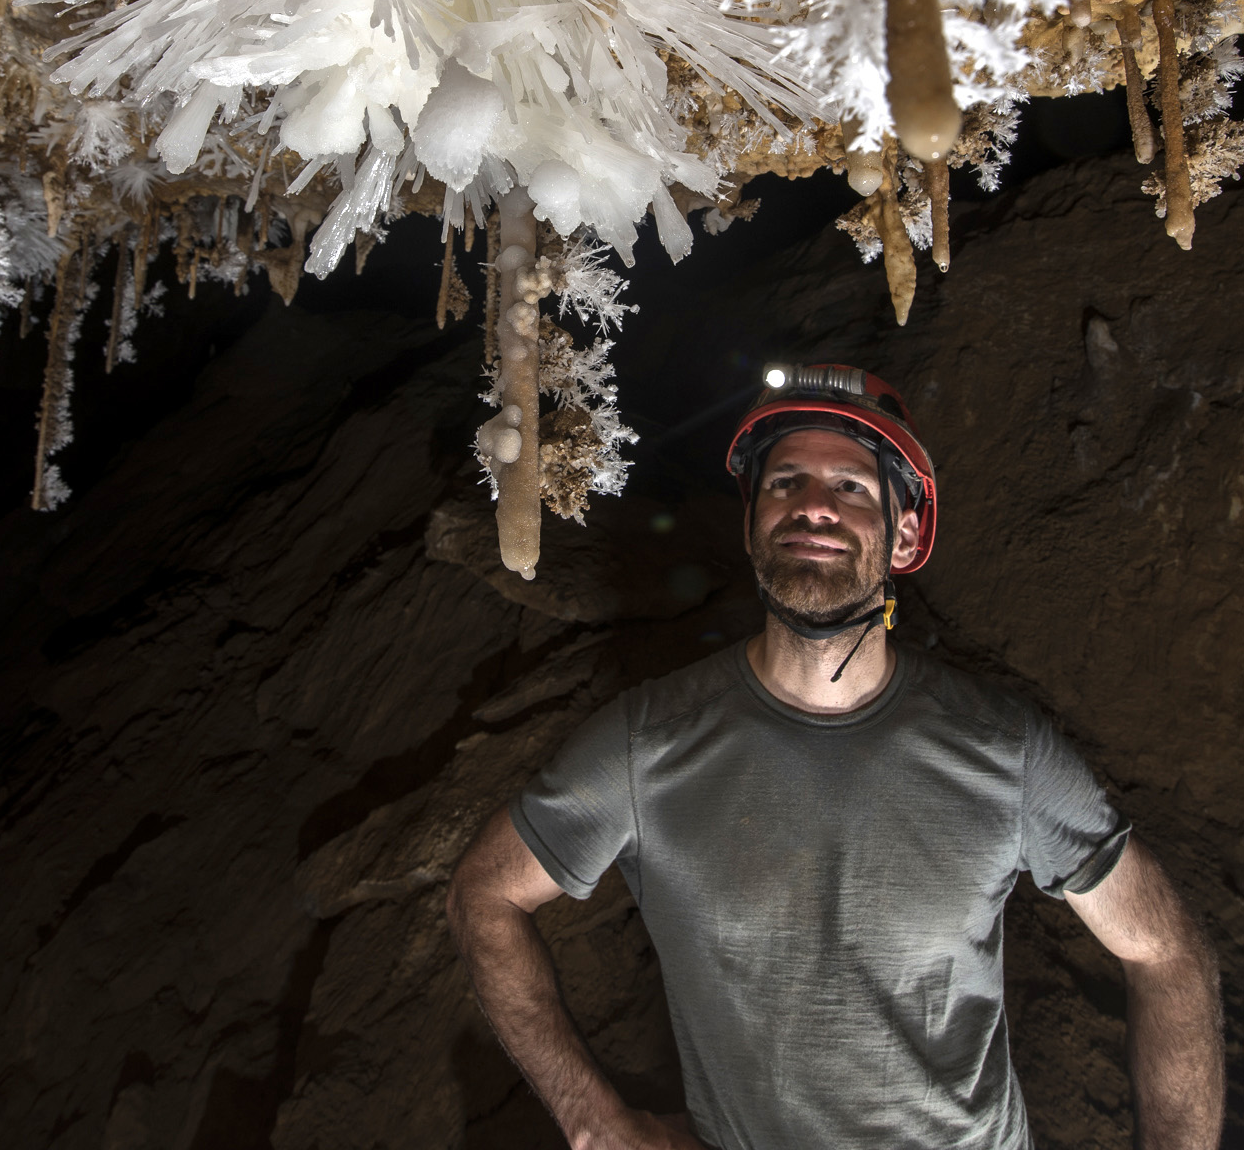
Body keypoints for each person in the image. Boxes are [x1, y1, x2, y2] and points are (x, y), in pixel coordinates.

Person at [447, 362, 1225, 1150]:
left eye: (850, 487)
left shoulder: (1001, 749)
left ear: (908, 531)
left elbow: (1167, 953)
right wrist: (592, 1121)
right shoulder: (646, 744)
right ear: (752, 517)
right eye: (784, 481)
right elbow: (486, 893)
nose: (812, 505)